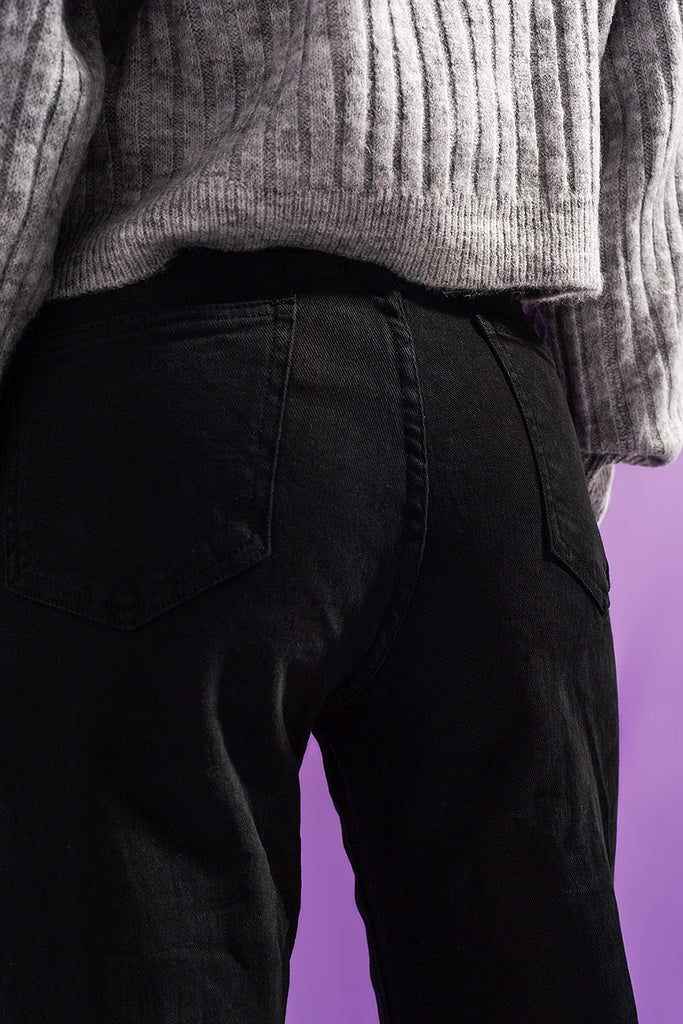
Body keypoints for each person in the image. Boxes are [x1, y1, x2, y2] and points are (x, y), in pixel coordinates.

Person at [0, 1, 680, 1021]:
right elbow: (643, 72)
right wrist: (597, 421)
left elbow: (28, 47)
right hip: (501, 408)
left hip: (176, 385)